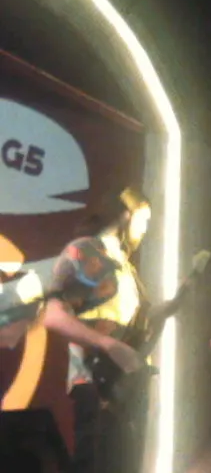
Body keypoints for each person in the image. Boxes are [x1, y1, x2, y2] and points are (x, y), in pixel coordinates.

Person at [43, 187, 153, 473]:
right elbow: (52, 314)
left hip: (127, 386)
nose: (145, 229)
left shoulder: (123, 265)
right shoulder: (89, 251)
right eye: (144, 219)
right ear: (126, 215)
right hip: (97, 384)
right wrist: (108, 344)